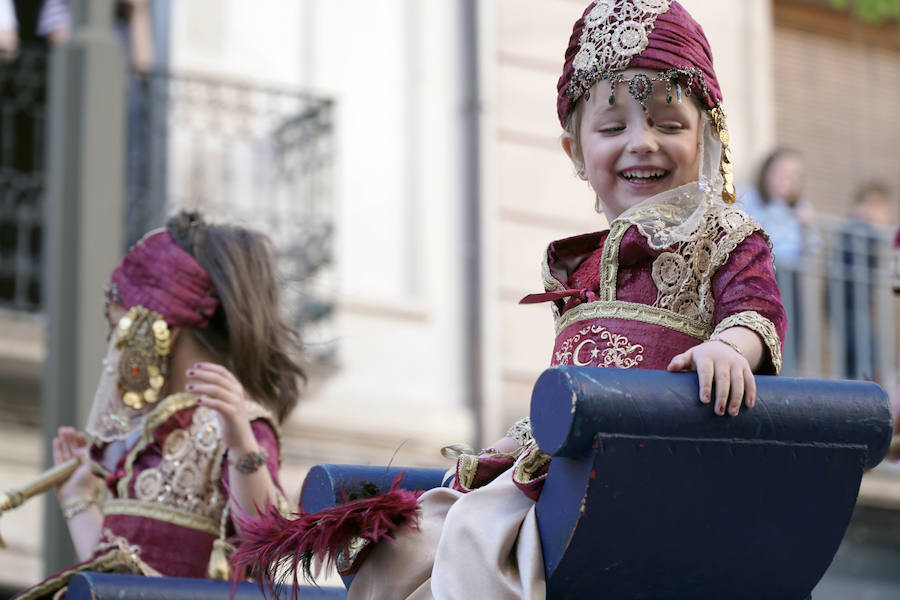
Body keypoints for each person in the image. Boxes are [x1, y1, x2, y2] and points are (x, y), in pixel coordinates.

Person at [234, 2, 787, 598]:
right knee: (409, 540)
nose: (642, 143)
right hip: (555, 469)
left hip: (645, 478)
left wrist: (730, 349)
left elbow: (756, 307)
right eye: (612, 127)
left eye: (669, 124)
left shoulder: (726, 234)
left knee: (475, 539)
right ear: (577, 152)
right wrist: (511, 443)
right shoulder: (582, 264)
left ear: (707, 135)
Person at [14, 211, 305, 599]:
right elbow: (113, 580)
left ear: (156, 328)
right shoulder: (142, 438)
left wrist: (241, 443)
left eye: (120, 332)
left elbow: (268, 542)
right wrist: (78, 500)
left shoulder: (238, 424)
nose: (113, 355)